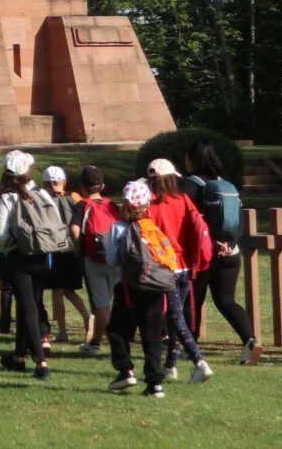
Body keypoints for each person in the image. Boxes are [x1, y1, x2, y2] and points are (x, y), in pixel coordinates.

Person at [0, 150, 66, 379]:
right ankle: (18, 357)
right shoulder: (41, 192)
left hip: (20, 258)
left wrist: (10, 250)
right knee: (28, 305)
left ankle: (41, 364)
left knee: (29, 309)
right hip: (42, 257)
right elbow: (56, 223)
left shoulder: (8, 197)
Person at [184, 139, 259, 364]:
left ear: (191, 161)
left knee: (192, 301)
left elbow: (186, 221)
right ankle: (250, 340)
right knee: (227, 301)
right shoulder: (227, 186)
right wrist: (229, 243)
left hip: (203, 254)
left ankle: (191, 346)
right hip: (231, 253)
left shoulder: (190, 186)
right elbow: (239, 220)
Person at [144, 158, 213, 382]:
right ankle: (171, 365)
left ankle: (199, 362)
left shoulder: (149, 205)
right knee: (176, 314)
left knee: (174, 316)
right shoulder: (183, 199)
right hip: (184, 266)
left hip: (164, 267)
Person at [106, 179, 171, 397]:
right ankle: (155, 384)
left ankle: (125, 370)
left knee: (116, 330)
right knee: (151, 337)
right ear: (147, 204)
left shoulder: (118, 228)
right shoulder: (152, 227)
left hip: (128, 288)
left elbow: (112, 260)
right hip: (155, 287)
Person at [73, 166, 118, 357]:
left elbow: (74, 229)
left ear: (82, 187)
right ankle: (95, 344)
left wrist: (78, 250)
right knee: (111, 302)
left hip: (92, 260)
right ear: (103, 186)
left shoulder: (82, 205)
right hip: (115, 259)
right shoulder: (111, 205)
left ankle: (118, 346)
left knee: (101, 305)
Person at [43, 166, 88, 345]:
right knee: (69, 290)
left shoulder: (44, 199)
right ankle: (86, 315)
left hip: (55, 249)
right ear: (64, 182)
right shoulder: (75, 197)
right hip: (75, 248)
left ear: (45, 184)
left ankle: (62, 331)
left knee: (57, 292)